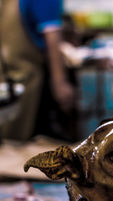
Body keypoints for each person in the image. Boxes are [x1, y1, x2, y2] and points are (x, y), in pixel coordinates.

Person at [0, 0, 76, 141]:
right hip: (32, 85)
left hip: (7, 79)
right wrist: (60, 82)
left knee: (10, 144)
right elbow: (52, 37)